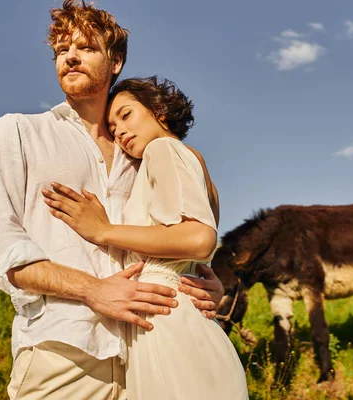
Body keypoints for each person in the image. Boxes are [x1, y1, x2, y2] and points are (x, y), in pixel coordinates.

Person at [0, 1, 225, 399]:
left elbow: (180, 233)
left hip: (151, 347)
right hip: (67, 350)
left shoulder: (140, 150)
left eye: (86, 47)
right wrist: (93, 289)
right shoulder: (20, 132)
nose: (69, 56)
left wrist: (201, 280)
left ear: (115, 61)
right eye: (60, 50)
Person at [42, 76, 249, 400]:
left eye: (126, 115)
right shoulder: (192, 160)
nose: (120, 132)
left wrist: (103, 230)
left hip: (166, 321)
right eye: (113, 128)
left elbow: (199, 238)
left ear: (160, 111)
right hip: (176, 317)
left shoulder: (162, 149)